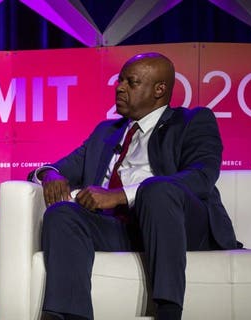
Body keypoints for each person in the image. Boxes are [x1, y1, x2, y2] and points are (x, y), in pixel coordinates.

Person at [31, 52, 240, 320]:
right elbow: (58, 168)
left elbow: (202, 177)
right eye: (120, 81)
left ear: (159, 90)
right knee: (62, 214)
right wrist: (50, 175)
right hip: (123, 228)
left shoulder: (192, 121)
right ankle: (70, 315)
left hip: (179, 224)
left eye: (131, 82)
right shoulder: (106, 132)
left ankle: (168, 310)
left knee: (156, 189)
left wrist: (120, 196)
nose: (119, 88)